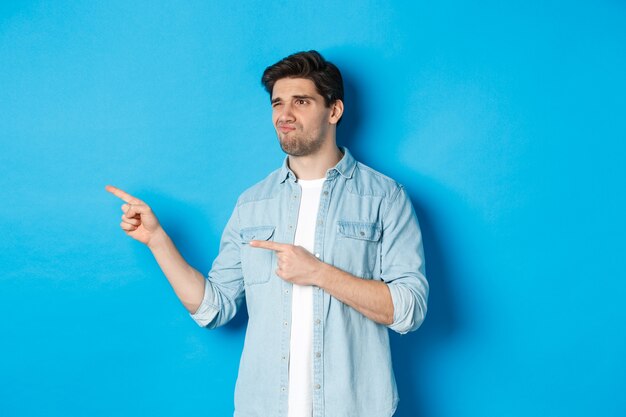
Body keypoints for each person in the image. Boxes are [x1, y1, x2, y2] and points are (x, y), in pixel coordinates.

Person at [106, 50, 428, 417]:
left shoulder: (385, 198)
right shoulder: (251, 204)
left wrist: (318, 273)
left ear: (334, 110)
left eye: (301, 102)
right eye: (278, 103)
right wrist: (157, 241)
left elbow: (409, 309)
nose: (284, 115)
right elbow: (214, 308)